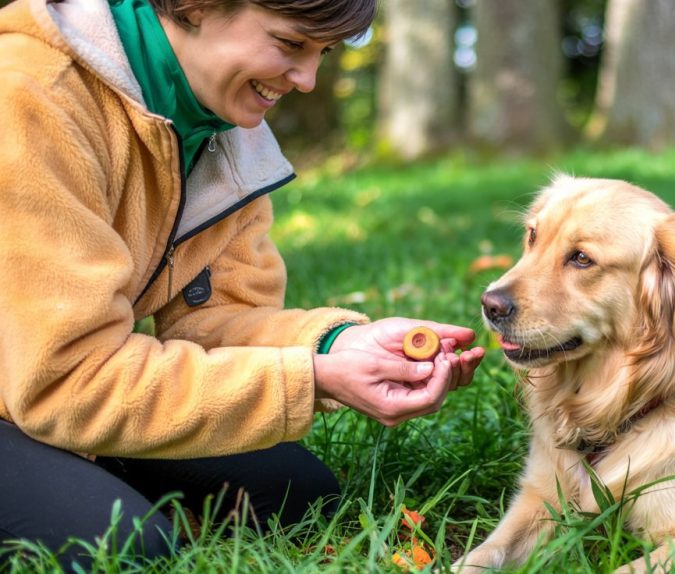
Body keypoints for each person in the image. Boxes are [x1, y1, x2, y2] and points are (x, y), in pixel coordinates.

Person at [0, 0, 486, 568]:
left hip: (48, 383)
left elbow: (216, 321)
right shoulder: (32, 94)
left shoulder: (221, 118)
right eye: (289, 44)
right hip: (49, 381)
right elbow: (66, 379)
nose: (307, 80)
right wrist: (310, 379)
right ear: (197, 5)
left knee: (296, 494)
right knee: (125, 548)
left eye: (322, 53)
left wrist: (338, 349)